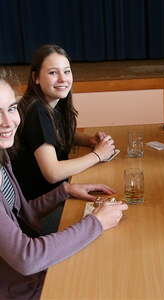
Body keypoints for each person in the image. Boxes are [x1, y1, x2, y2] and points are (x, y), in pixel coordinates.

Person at [0, 69, 128, 299]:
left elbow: (22, 215)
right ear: (36, 77)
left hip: (29, 272)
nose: (8, 122)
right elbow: (26, 258)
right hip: (20, 287)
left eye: (10, 108)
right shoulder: (35, 113)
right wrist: (96, 222)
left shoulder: (2, 156)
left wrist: (65, 190)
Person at [12, 44, 116, 201]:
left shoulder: (53, 101)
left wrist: (88, 140)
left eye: (66, 71)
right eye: (53, 72)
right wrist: (98, 155)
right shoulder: (37, 111)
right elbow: (52, 173)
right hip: (39, 205)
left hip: (59, 192)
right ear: (36, 78)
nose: (63, 79)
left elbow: (54, 133)